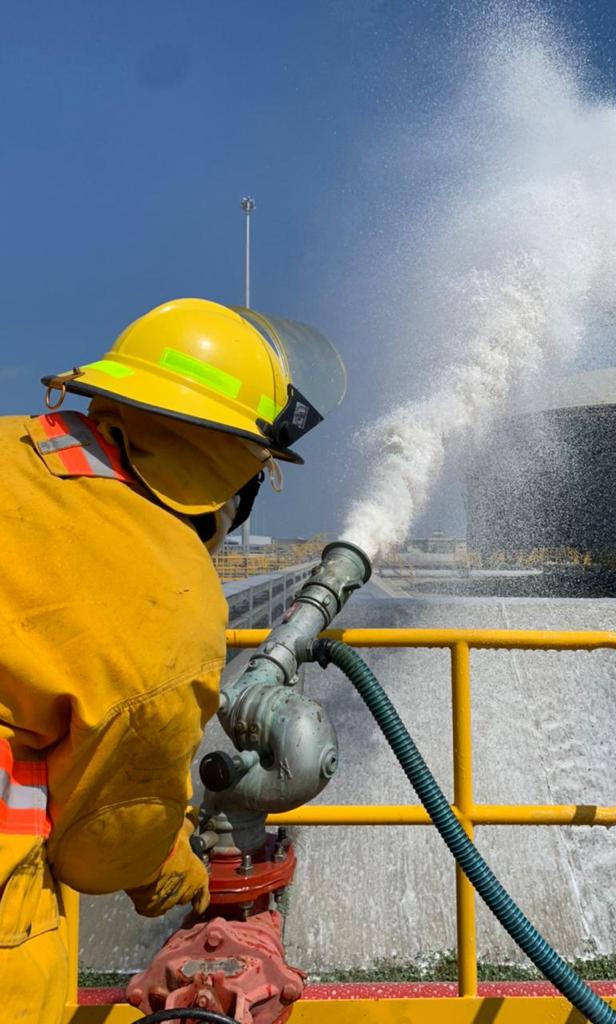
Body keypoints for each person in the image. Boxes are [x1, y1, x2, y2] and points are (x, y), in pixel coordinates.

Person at [0, 297, 341, 1022]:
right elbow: (104, 846)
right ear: (228, 469)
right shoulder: (164, 593)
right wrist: (175, 873)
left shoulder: (9, 450)